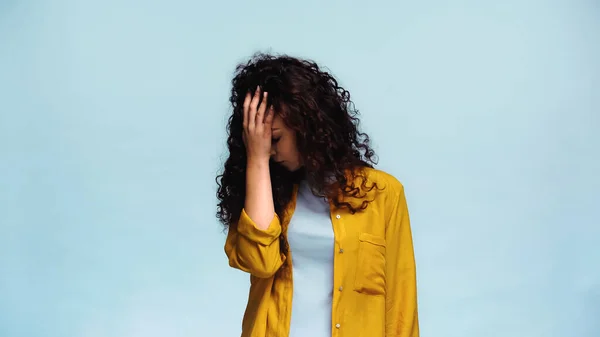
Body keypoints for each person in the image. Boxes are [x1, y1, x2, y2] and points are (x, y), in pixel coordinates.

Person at [216, 53, 419, 337]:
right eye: (257, 142)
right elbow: (258, 262)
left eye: (274, 139)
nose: (270, 151)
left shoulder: (383, 194)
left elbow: (400, 302)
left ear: (305, 125)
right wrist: (257, 160)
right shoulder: (266, 194)